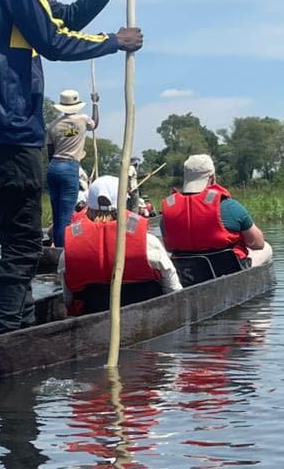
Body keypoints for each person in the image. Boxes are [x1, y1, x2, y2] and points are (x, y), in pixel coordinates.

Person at [0, 0, 144, 334]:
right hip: (10, 128)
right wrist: (112, 42)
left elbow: (63, 17)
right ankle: (8, 334)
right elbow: (54, 40)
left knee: (17, 243)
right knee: (24, 245)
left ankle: (19, 329)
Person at [61, 175, 182, 316]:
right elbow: (173, 288)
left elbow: (68, 300)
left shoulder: (69, 252)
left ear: (89, 207)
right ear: (124, 203)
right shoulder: (148, 242)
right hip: (148, 315)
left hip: (93, 313)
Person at [161, 153, 272, 281]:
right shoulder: (229, 206)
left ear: (186, 179)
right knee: (267, 248)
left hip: (188, 275)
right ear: (213, 178)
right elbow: (258, 244)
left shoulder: (168, 212)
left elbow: (168, 247)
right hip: (229, 271)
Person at [47, 87, 98, 248]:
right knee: (66, 215)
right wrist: (95, 103)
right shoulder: (82, 120)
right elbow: (95, 124)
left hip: (54, 167)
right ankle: (63, 249)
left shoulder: (53, 126)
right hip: (69, 167)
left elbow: (50, 152)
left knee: (56, 212)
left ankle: (56, 243)